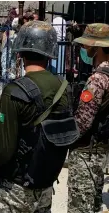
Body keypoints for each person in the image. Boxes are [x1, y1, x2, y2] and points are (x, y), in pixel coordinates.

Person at [0, 21, 78, 212]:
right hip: (45, 185)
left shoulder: (14, 91)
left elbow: (4, 149)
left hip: (14, 190)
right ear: (50, 54)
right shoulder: (64, 88)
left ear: (20, 53)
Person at [67, 23, 109, 213]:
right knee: (93, 203)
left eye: (87, 44)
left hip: (86, 153)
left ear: (98, 47)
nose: (84, 48)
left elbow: (82, 123)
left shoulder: (97, 79)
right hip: (101, 151)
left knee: (80, 207)